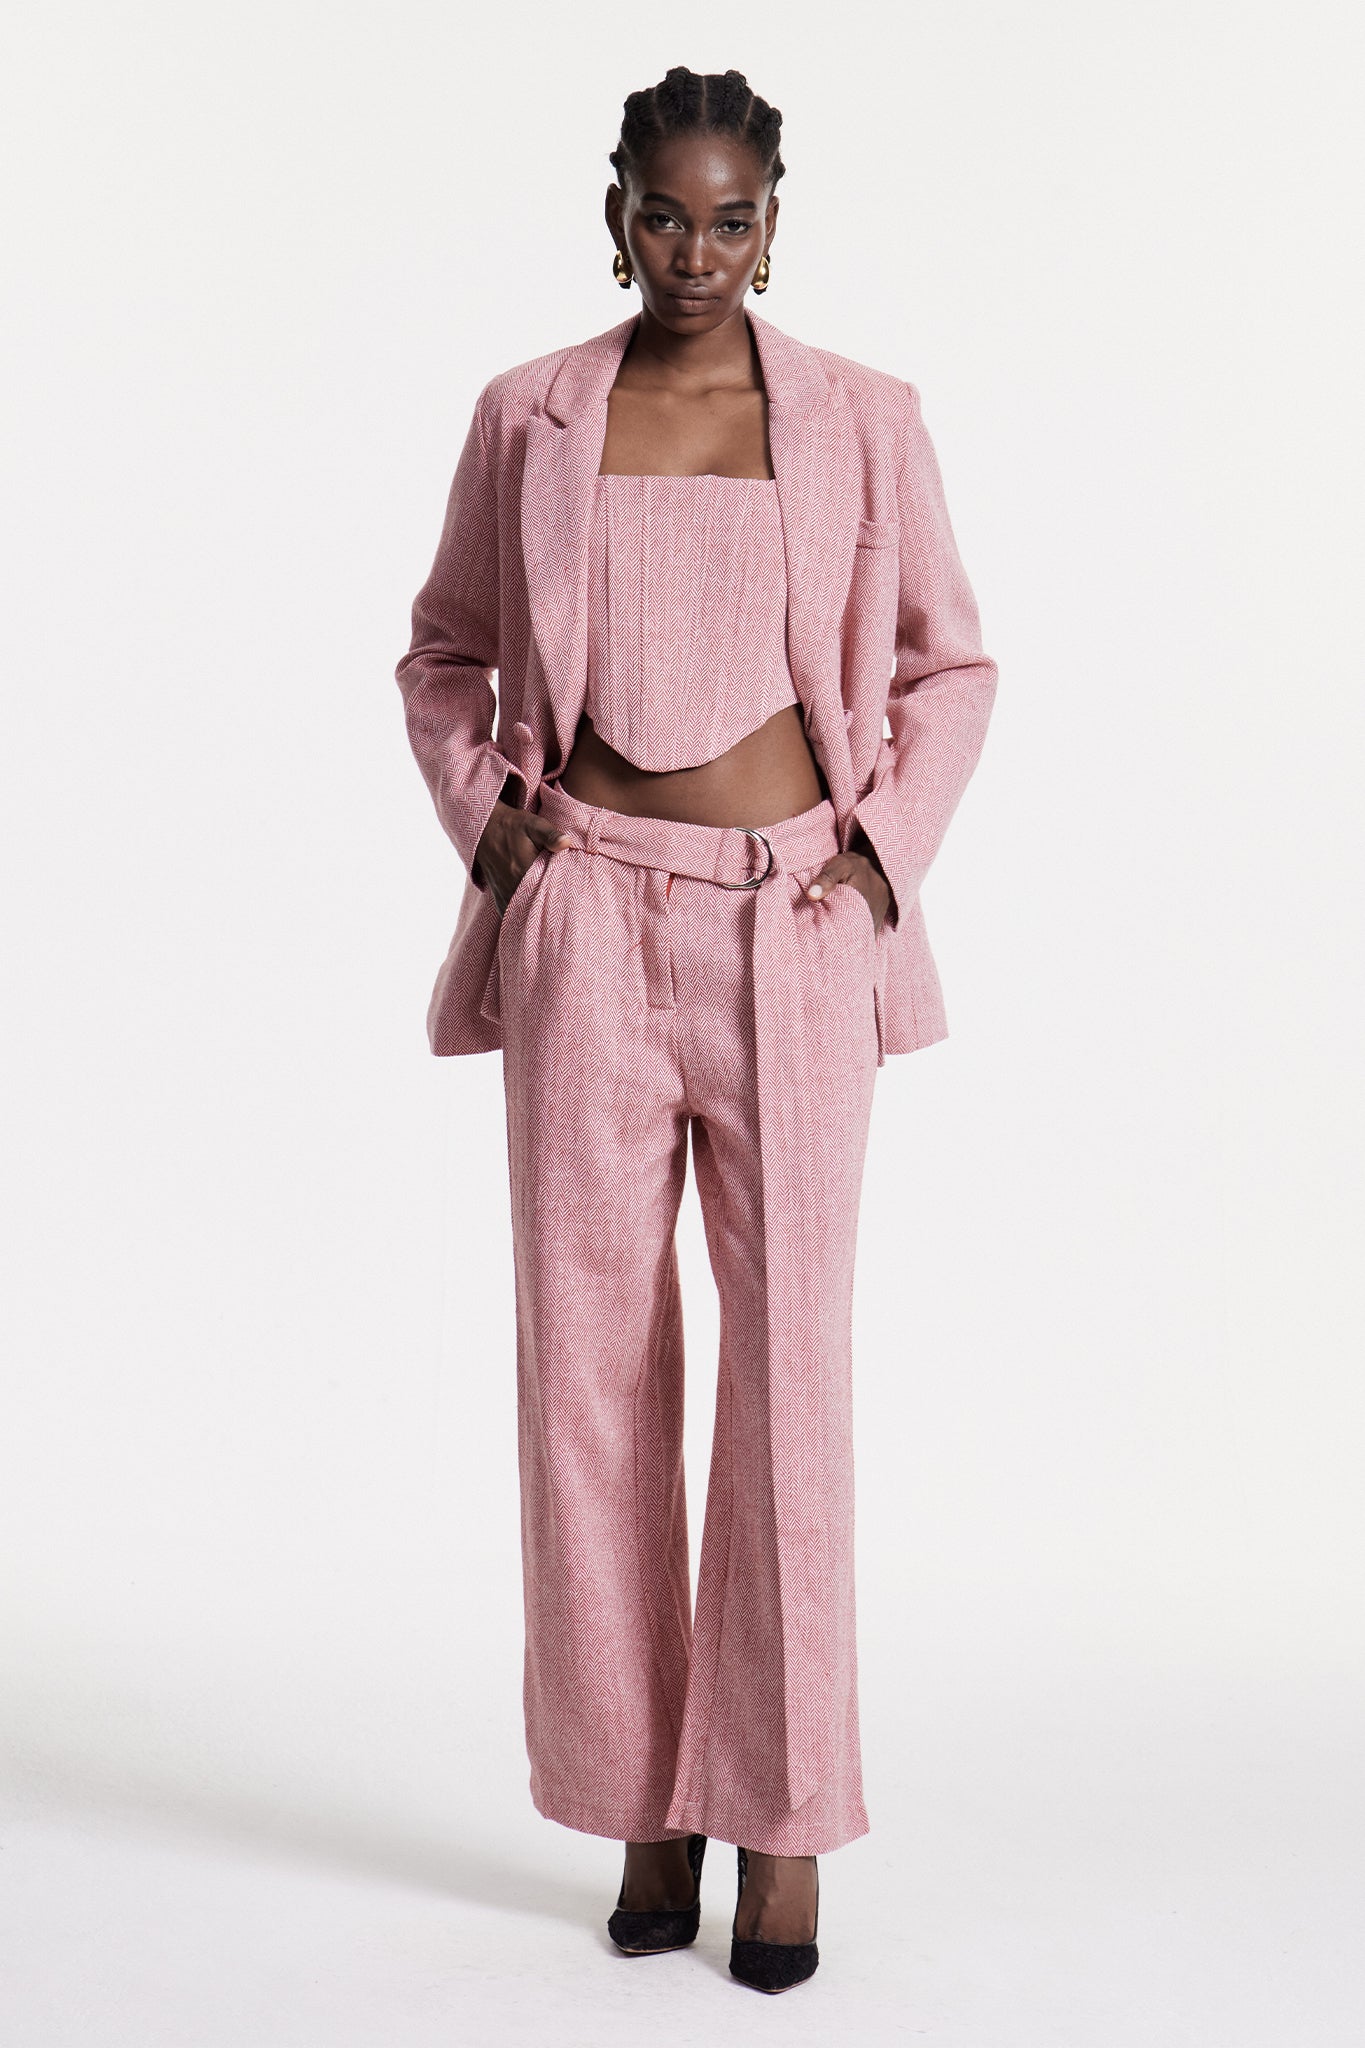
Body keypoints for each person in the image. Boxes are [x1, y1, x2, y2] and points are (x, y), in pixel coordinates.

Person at [394, 64, 998, 1995]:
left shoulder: (862, 420)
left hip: (788, 931)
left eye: (731, 218)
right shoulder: (530, 415)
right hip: (584, 917)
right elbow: (443, 650)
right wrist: (489, 818)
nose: (695, 251)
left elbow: (950, 666)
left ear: (773, 224)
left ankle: (785, 1816)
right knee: (589, 1372)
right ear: (617, 215)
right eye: (665, 214)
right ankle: (641, 1801)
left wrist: (879, 857)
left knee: (786, 1376)